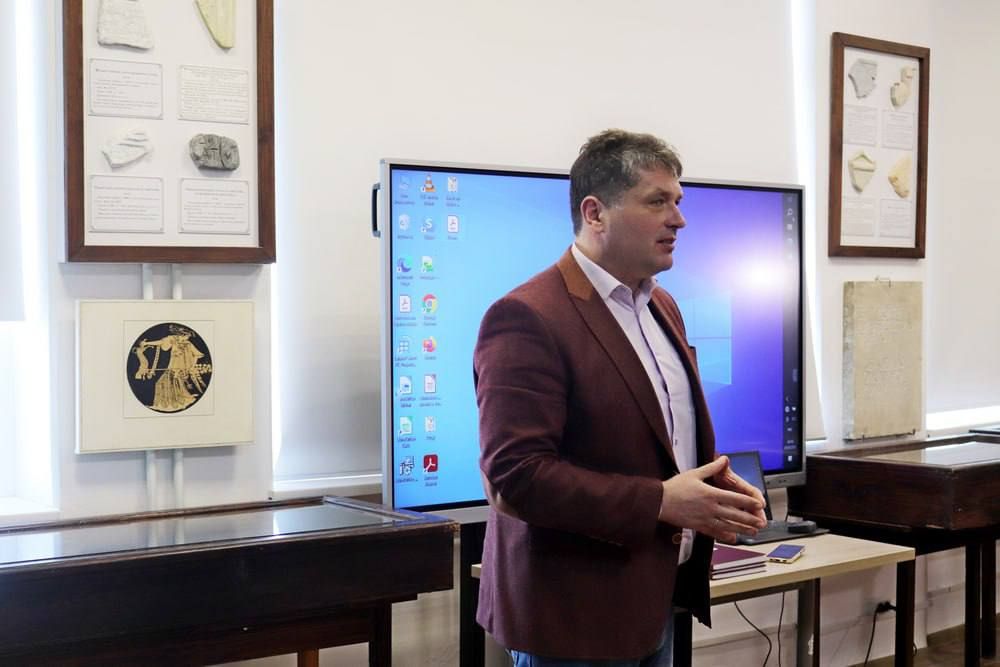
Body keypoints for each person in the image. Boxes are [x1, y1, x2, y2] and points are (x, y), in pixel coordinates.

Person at [473, 129, 768, 666]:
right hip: (572, 620)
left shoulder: (663, 306)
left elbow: (652, 437)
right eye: (657, 202)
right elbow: (516, 477)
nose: (678, 220)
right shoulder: (527, 316)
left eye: (678, 201)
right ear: (595, 213)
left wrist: (711, 485)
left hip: (655, 600)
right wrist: (662, 501)